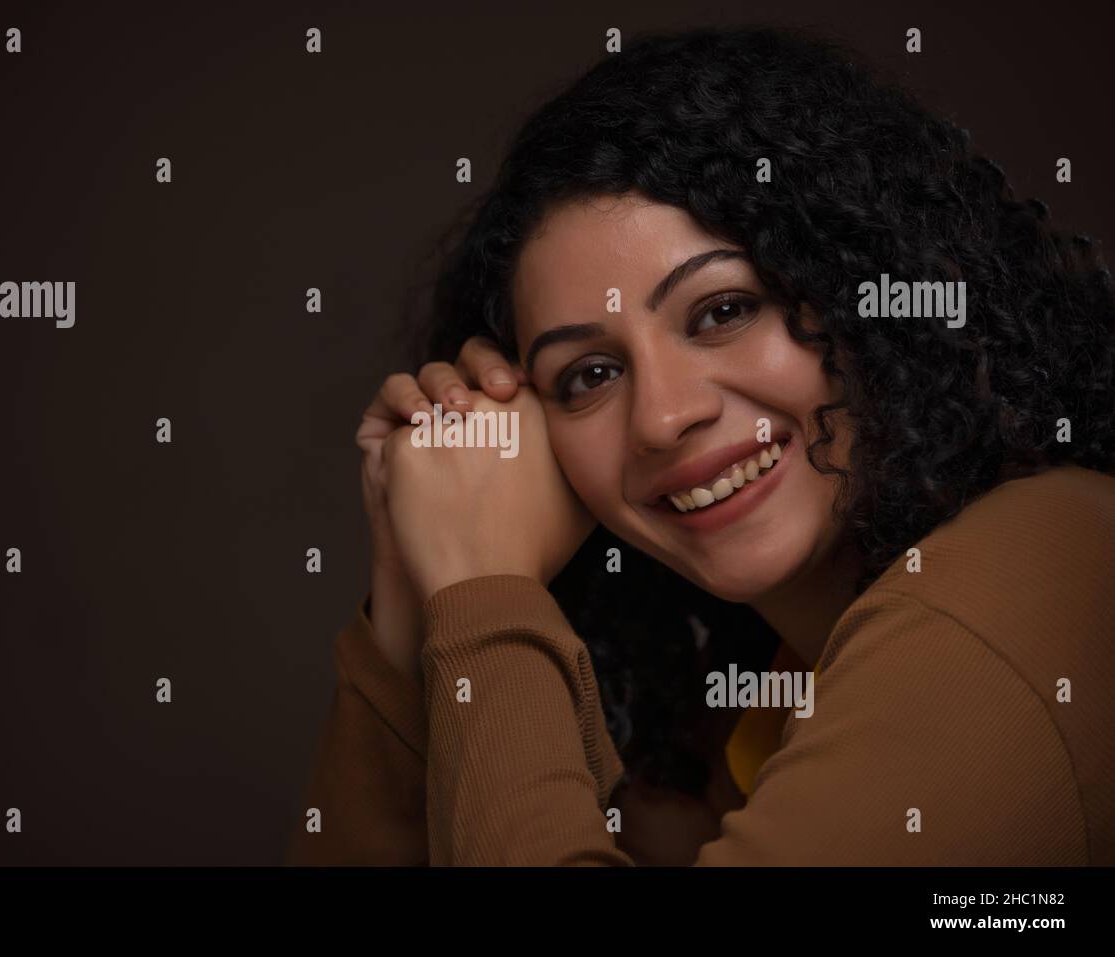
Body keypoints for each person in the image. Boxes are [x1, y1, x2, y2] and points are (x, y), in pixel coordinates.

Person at [287, 25, 1115, 866]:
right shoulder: (753, 707)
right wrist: (416, 573)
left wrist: (483, 592)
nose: (660, 418)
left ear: (863, 292)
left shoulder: (1039, 564)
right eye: (590, 375)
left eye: (722, 311)